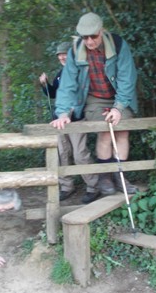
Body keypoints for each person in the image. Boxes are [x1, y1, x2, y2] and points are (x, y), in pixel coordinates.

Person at [50, 12, 139, 200]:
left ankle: (119, 176)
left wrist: (118, 107)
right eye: (85, 37)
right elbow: (67, 83)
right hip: (94, 98)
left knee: (122, 131)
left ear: (101, 30)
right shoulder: (76, 50)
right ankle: (105, 177)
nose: (89, 41)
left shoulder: (118, 44)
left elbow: (127, 77)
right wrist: (63, 112)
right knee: (105, 130)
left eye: (93, 36)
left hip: (120, 96)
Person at [40, 41, 99, 203]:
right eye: (59, 55)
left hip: (77, 120)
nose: (62, 57)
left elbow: (84, 95)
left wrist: (72, 110)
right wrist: (45, 85)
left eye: (65, 54)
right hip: (59, 121)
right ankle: (66, 186)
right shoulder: (60, 74)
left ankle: (93, 187)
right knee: (62, 153)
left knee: (80, 154)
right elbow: (54, 94)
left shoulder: (81, 71)